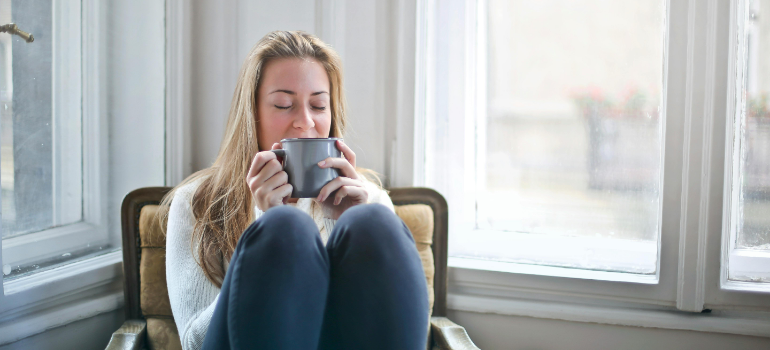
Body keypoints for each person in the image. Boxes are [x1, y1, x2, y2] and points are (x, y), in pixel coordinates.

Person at [159, 31, 429, 350]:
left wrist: (342, 220)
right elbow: (194, 342)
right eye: (284, 104)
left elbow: (399, 325)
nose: (305, 121)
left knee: (374, 221)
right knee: (286, 228)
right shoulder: (196, 201)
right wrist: (266, 222)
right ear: (252, 114)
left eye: (318, 105)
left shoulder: (368, 198)